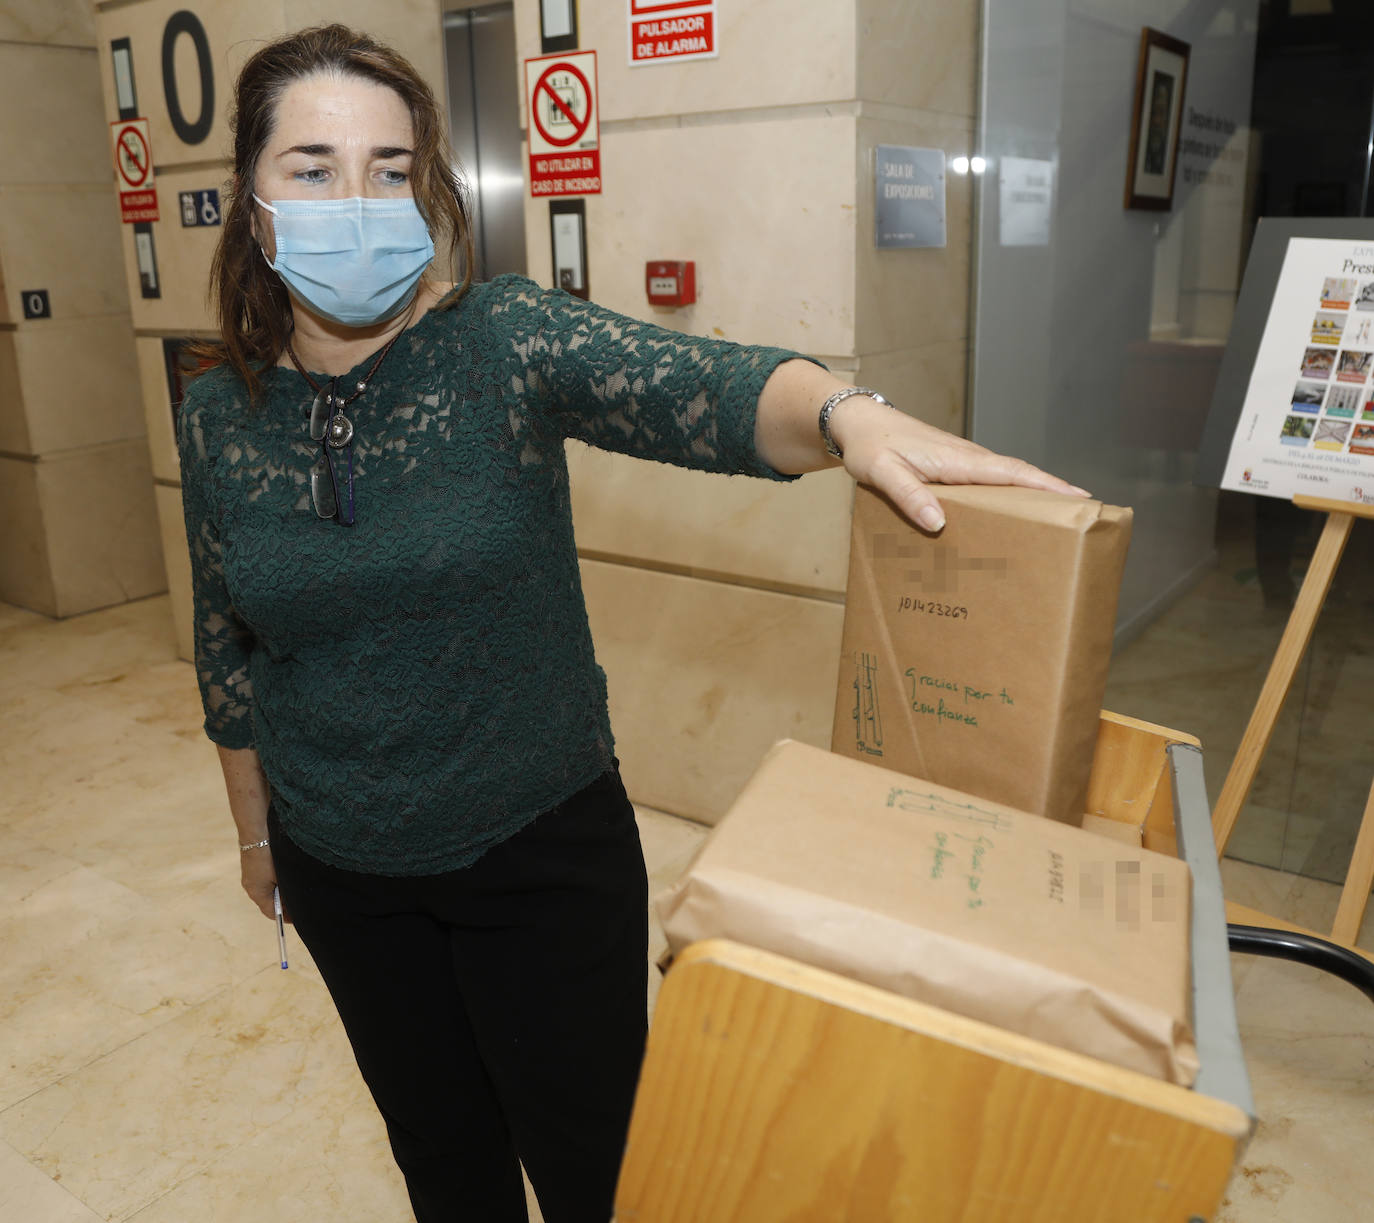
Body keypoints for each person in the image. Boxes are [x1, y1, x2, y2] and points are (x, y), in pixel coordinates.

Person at [178, 24, 1088, 1223]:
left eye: (390, 169)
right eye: (313, 168)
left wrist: (848, 415)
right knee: (442, 1160)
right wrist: (260, 843)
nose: (358, 198)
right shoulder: (215, 419)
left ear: (428, 189)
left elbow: (700, 390)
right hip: (343, 868)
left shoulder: (503, 342)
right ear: (252, 206)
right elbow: (227, 651)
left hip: (539, 854)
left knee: (603, 1168)